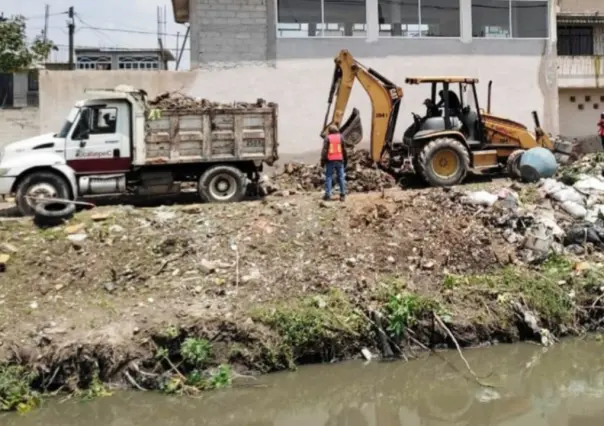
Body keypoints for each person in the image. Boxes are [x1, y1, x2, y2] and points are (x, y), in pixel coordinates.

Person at [320, 125, 347, 201]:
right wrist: (346, 160)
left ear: (329, 131)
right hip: (339, 160)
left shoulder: (327, 138)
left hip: (330, 160)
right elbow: (344, 150)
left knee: (329, 177)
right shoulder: (341, 137)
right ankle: (342, 195)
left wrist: (322, 161)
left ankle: (328, 195)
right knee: (341, 177)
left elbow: (324, 151)